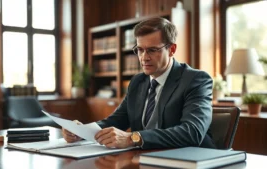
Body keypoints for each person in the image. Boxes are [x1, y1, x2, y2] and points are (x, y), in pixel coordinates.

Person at [62, 17, 216, 149]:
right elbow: (116, 121)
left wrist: (133, 138)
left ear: (172, 49)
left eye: (152, 50)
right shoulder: (138, 81)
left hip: (190, 161)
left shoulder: (196, 80)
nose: (144, 57)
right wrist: (82, 132)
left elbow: (192, 132)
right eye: (140, 50)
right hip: (147, 159)